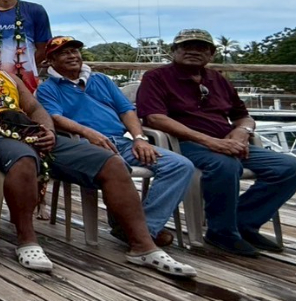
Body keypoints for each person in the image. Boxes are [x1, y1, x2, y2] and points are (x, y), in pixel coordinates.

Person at [0, 29, 195, 277]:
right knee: (23, 158)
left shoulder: (7, 79)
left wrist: (48, 131)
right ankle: (27, 240)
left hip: (36, 135)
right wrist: (1, 128)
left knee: (112, 162)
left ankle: (143, 246)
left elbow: (35, 109)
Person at [138, 29, 296, 256]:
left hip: (227, 143)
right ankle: (222, 231)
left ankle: (243, 222)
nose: (193, 51)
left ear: (211, 54)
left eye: (201, 48)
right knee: (225, 165)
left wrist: (242, 132)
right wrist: (211, 142)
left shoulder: (217, 79)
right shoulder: (156, 78)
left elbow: (243, 116)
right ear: (174, 51)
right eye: (186, 47)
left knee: (290, 167)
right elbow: (154, 118)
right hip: (183, 144)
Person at [36, 36, 192, 247]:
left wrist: (139, 138)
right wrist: (89, 133)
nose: (72, 56)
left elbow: (126, 110)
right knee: (115, 167)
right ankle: (135, 231)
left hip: (122, 142)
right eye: (64, 53)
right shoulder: (48, 88)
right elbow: (55, 118)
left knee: (180, 165)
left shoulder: (101, 80)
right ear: (51, 61)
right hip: (85, 145)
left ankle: (144, 228)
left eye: (74, 51)